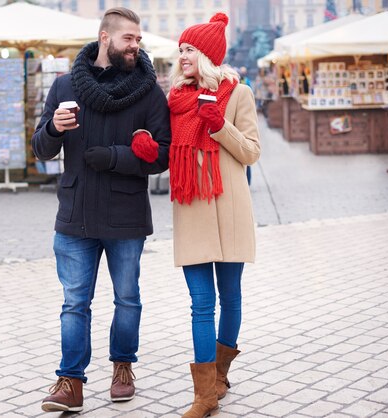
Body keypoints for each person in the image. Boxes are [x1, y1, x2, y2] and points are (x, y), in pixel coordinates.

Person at [31, 7, 171, 413]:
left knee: (127, 298)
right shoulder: (63, 86)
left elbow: (162, 155)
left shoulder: (148, 92)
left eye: (139, 39)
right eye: (129, 38)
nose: (136, 45)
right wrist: (54, 128)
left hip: (126, 214)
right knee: (75, 301)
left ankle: (123, 367)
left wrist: (113, 157)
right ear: (105, 38)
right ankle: (70, 381)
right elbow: (41, 148)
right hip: (75, 214)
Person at [168, 13, 260, 418]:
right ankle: (204, 396)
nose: (182, 55)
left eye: (189, 49)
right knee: (201, 302)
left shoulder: (240, 94)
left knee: (231, 296)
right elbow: (166, 147)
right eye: (181, 49)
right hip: (191, 209)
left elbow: (252, 152)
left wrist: (219, 124)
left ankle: (220, 376)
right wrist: (147, 149)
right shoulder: (173, 99)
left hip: (231, 209)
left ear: (207, 54)